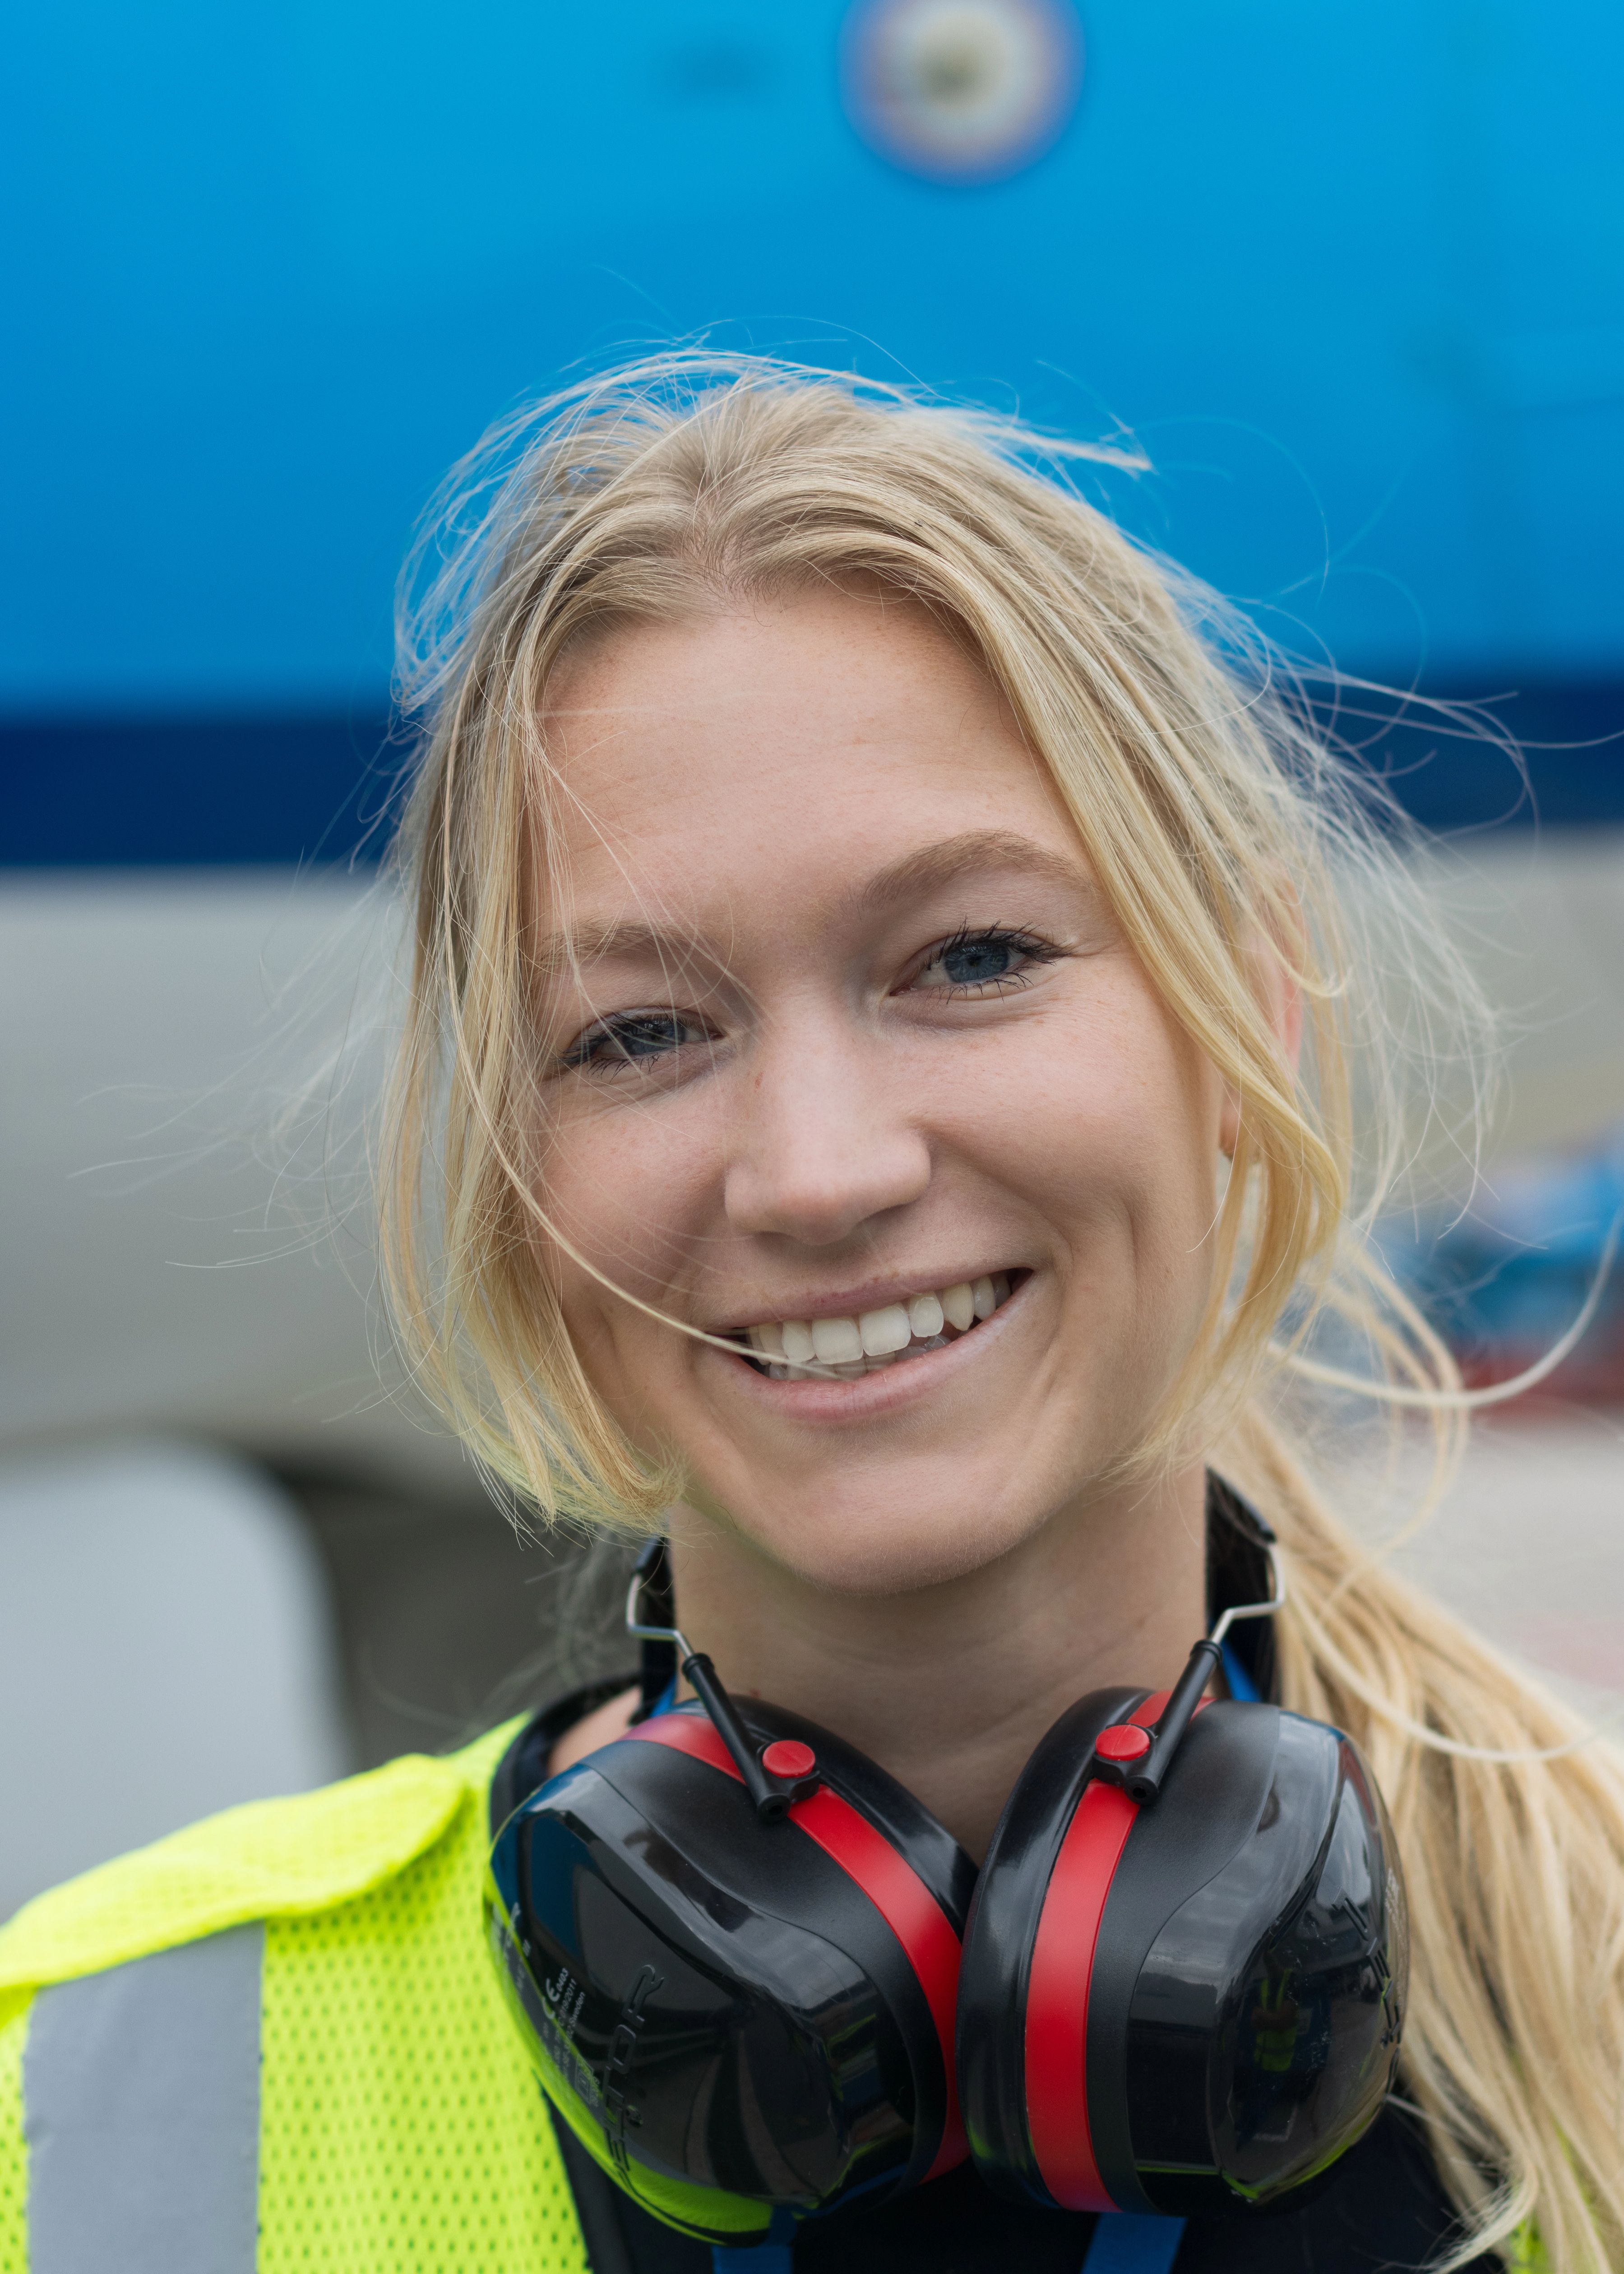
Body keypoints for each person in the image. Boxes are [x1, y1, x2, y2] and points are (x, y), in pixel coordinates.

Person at [3, 356, 1620, 2274]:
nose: (818, 1170)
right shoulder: (87, 2095)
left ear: (1244, 1015)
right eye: (643, 1034)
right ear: (513, 1178)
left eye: (972, 956)